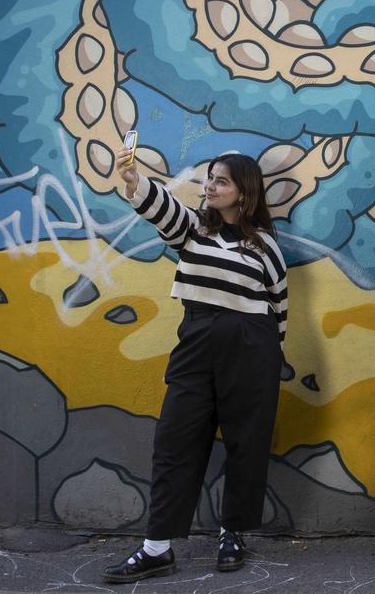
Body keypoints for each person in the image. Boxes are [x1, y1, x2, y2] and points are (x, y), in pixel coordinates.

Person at [102, 148, 288, 583]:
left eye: (221, 182)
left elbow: (279, 308)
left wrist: (267, 357)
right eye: (210, 179)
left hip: (252, 345)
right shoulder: (193, 230)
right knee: (174, 439)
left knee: (247, 442)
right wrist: (132, 178)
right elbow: (158, 205)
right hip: (197, 339)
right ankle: (157, 548)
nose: (210, 187)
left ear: (244, 193)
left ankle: (233, 533)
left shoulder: (266, 247)